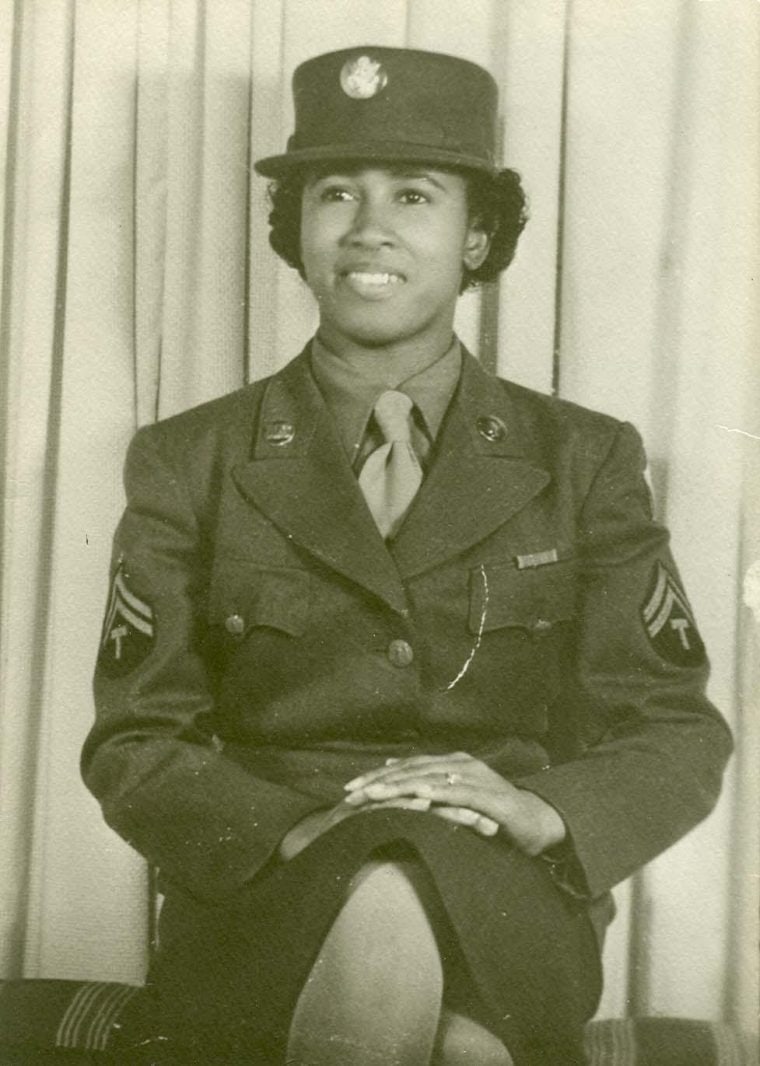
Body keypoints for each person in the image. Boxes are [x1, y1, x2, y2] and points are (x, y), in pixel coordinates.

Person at [82, 46, 733, 1066]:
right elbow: (134, 739)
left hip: (507, 878)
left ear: (478, 237)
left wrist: (536, 809)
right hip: (265, 878)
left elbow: (672, 727)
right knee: (461, 1042)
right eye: (335, 191)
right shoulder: (190, 459)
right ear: (295, 231)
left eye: (414, 195)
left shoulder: (584, 456)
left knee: (440, 977)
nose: (368, 227)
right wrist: (299, 832)